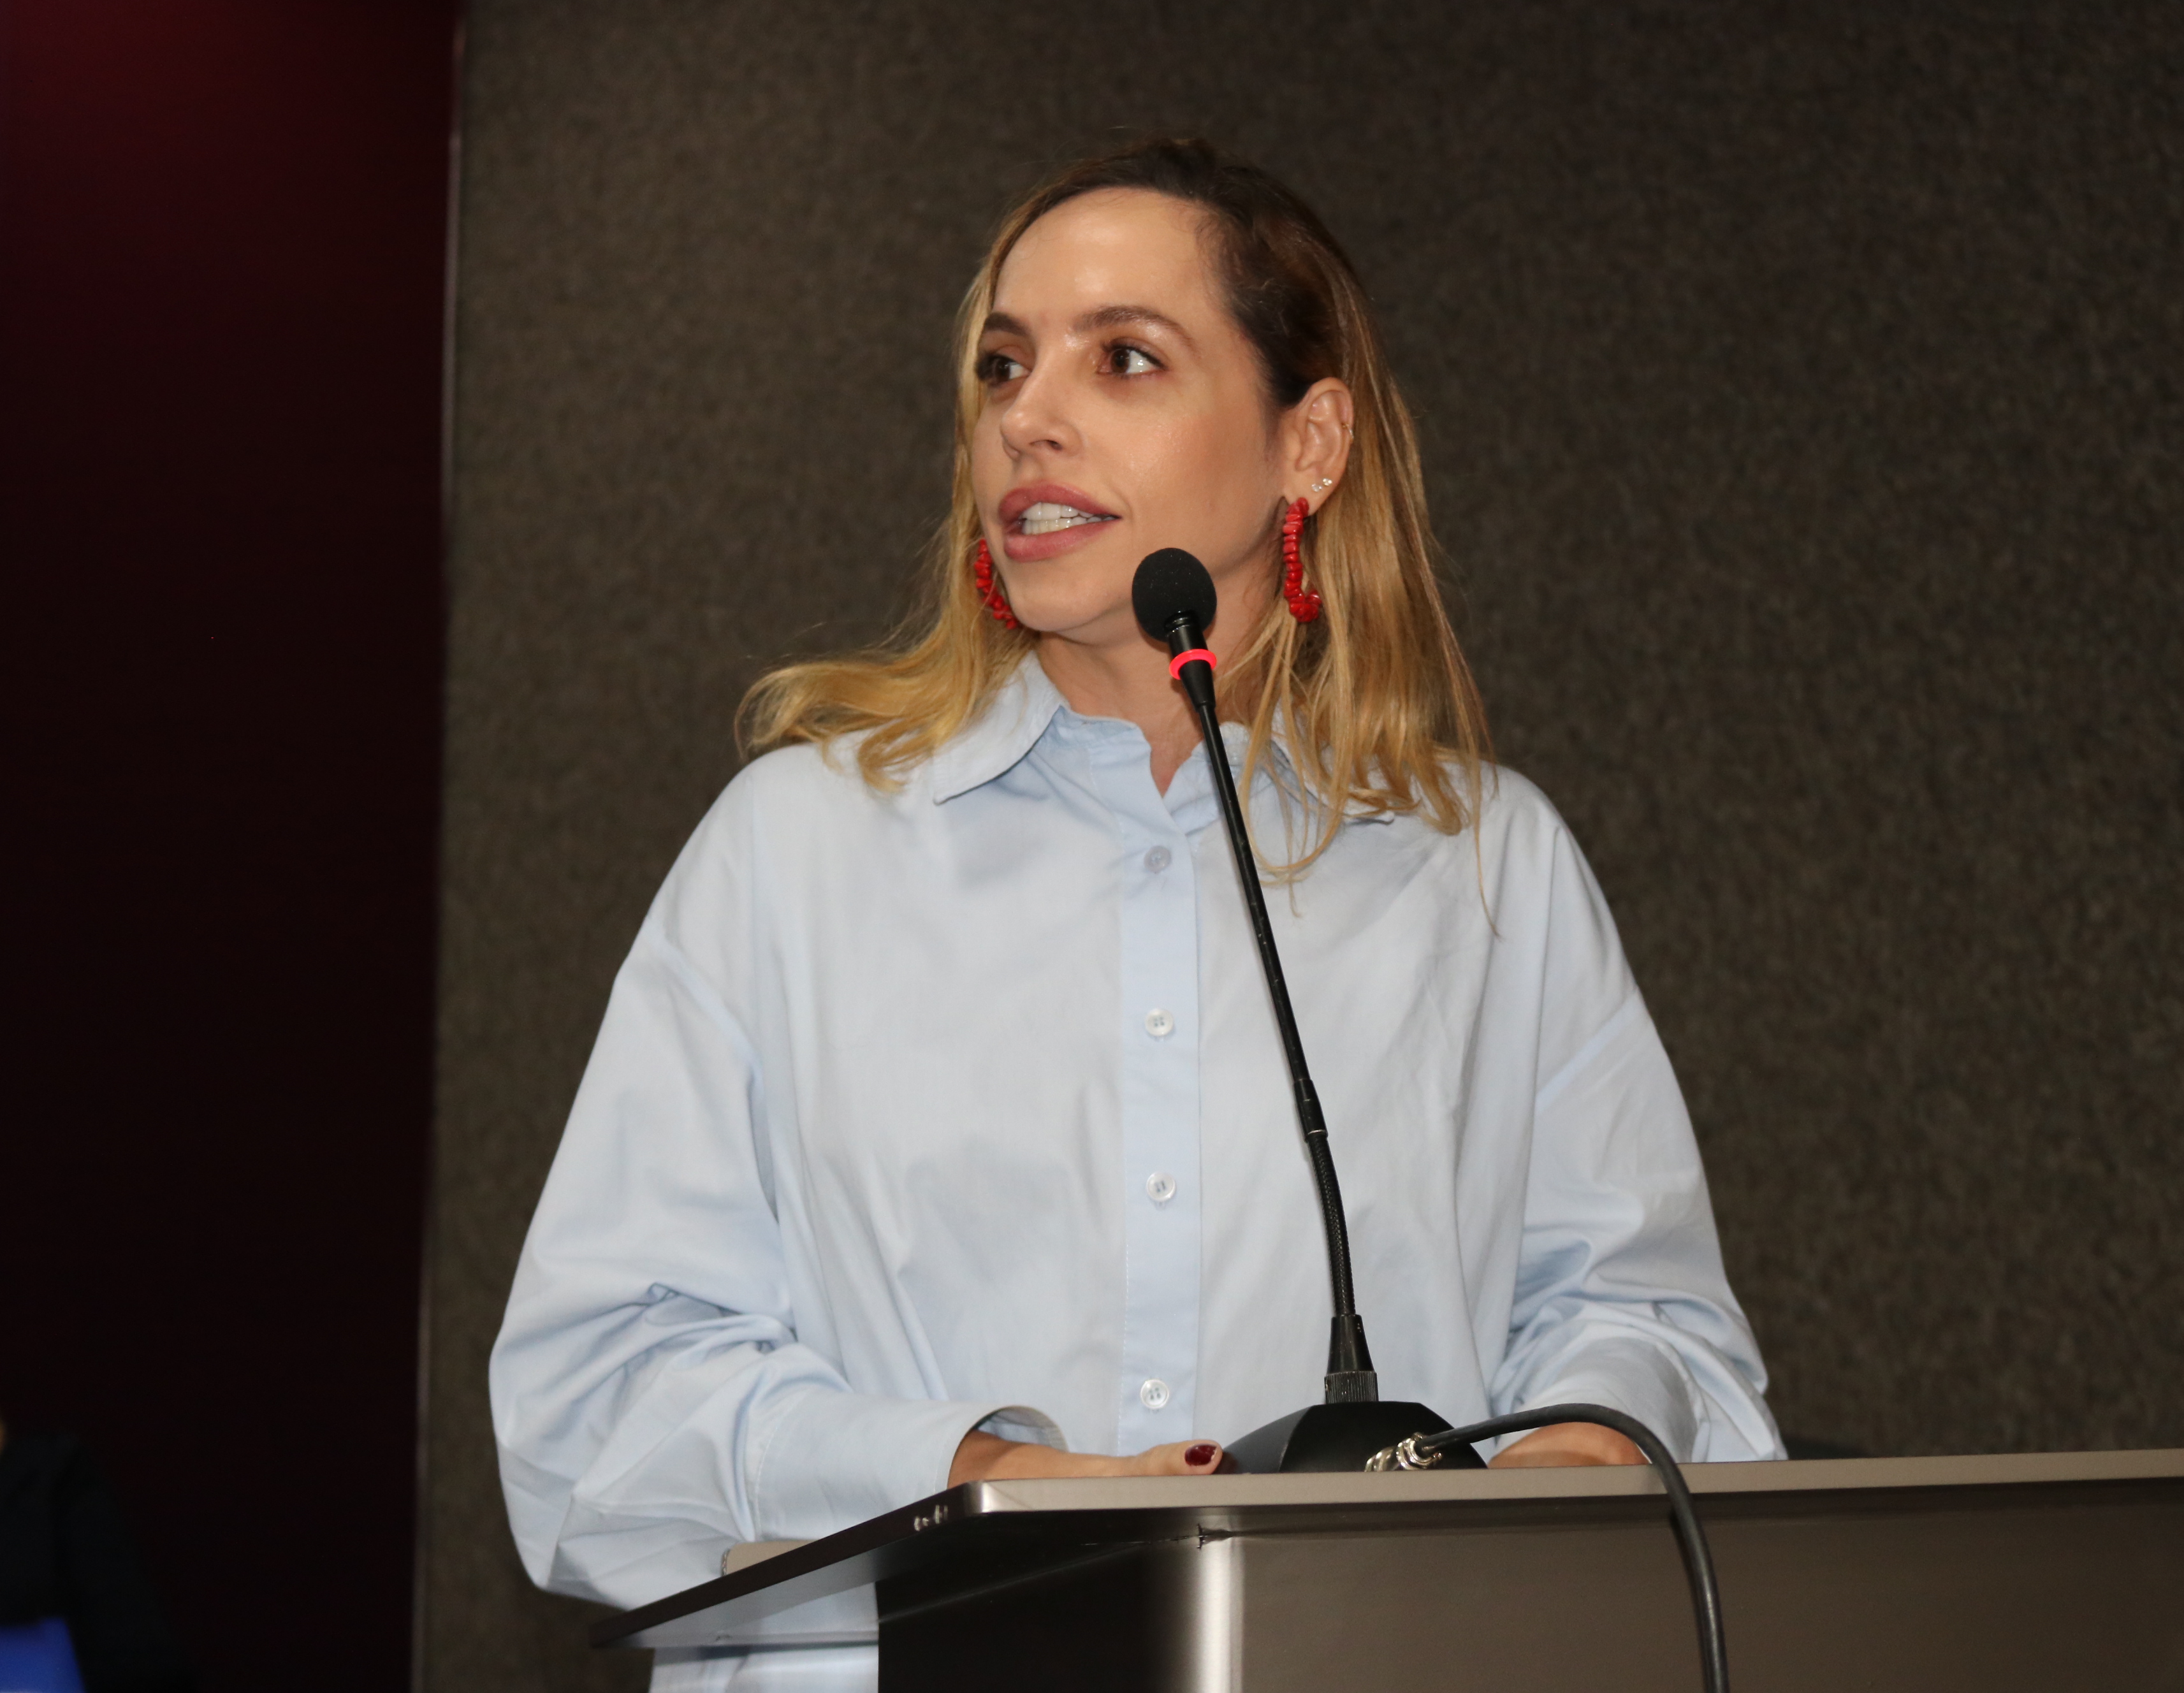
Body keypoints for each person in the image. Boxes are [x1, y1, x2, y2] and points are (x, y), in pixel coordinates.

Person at [491, 136, 1780, 1692]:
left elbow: (1653, 1324)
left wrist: (1570, 1453)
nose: (1026, 417)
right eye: (1003, 364)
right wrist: (985, 1481)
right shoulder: (798, 851)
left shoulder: (1483, 867)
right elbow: (593, 1399)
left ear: (1310, 443)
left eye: (1124, 359)